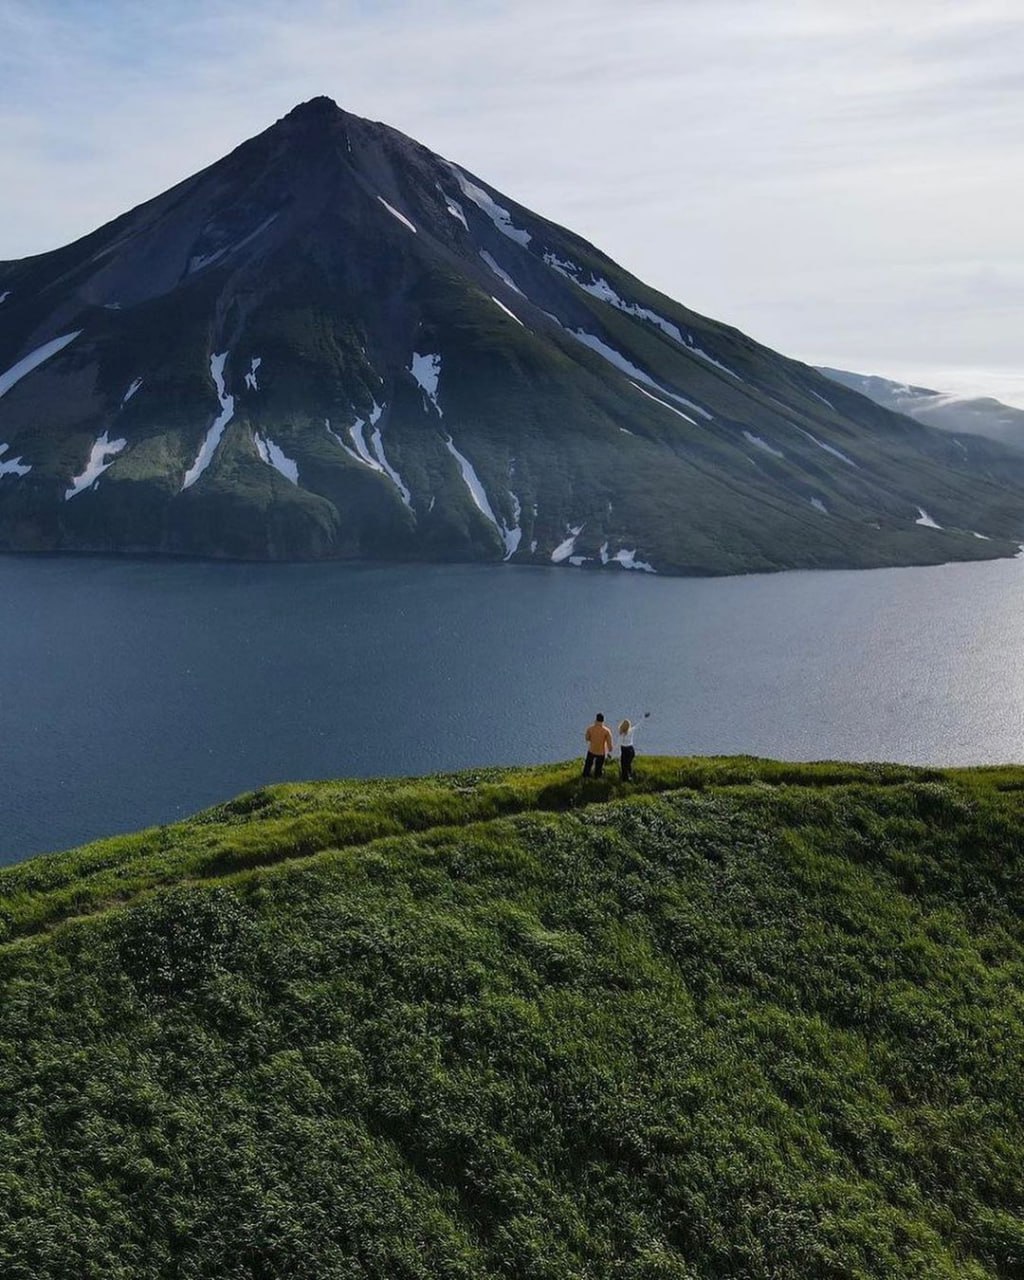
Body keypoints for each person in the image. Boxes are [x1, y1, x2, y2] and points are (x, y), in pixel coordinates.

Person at [617, 712, 651, 781]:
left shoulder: (622, 735)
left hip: (625, 751)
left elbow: (618, 744)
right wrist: (644, 718)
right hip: (631, 750)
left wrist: (610, 751)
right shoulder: (631, 731)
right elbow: (639, 725)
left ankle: (625, 779)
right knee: (628, 764)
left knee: (624, 766)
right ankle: (630, 777)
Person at [583, 713, 613, 778]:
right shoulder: (606, 731)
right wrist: (610, 749)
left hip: (591, 750)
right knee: (599, 767)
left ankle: (586, 776)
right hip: (601, 752)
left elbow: (587, 738)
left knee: (588, 765)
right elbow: (609, 743)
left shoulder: (590, 729)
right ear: (603, 720)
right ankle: (597, 777)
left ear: (596, 719)